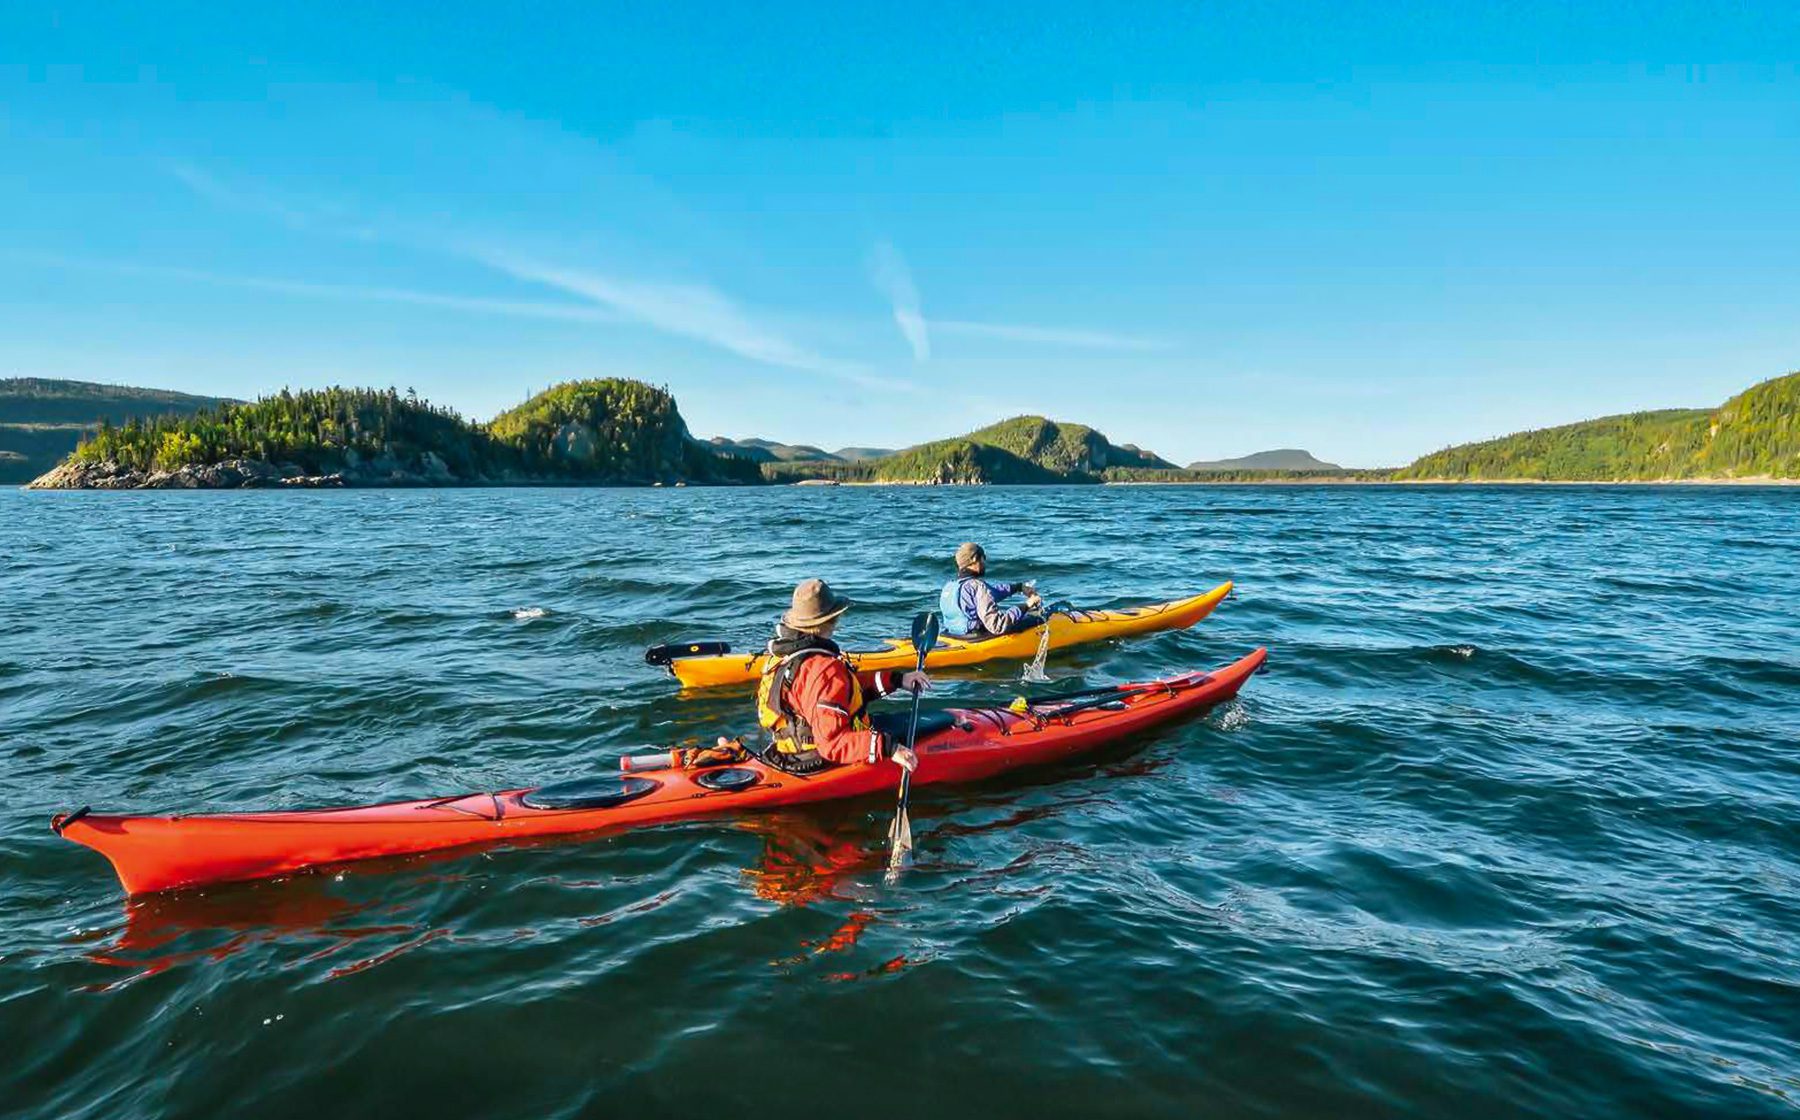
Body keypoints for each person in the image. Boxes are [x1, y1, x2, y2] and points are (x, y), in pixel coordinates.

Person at [743, 579, 931, 775]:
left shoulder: (782, 658)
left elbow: (845, 689)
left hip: (788, 754)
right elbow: (832, 744)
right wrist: (890, 747)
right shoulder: (826, 670)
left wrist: (898, 680)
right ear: (831, 620)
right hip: (817, 760)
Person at [939, 542, 1042, 638]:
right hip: (977, 638)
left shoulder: (949, 587)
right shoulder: (977, 586)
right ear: (974, 559)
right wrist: (1026, 605)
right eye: (983, 558)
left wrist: (1018, 587)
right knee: (1036, 618)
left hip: (954, 635)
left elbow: (992, 593)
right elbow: (996, 625)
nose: (984, 563)